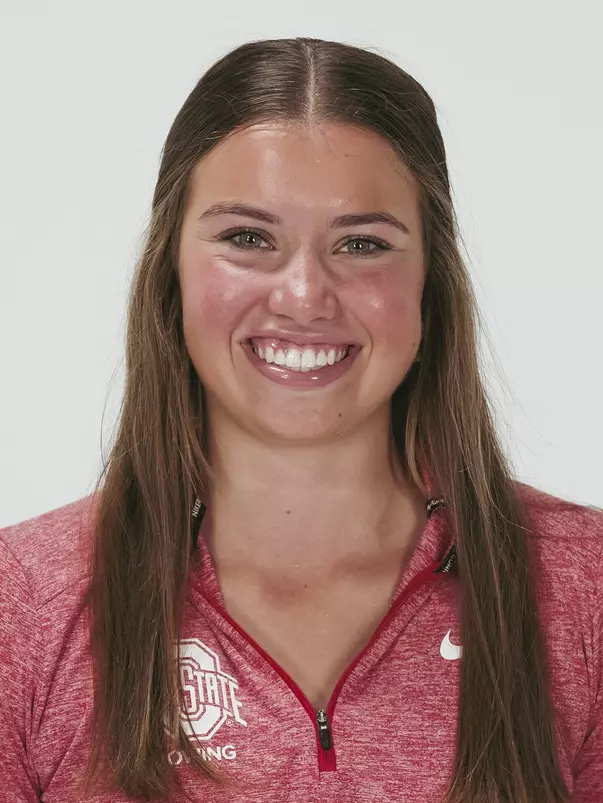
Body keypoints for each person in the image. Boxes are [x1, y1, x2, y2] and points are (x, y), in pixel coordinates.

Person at [0, 36, 601, 803]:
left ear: (429, 282)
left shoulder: (585, 586)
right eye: (247, 238)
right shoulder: (21, 603)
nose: (303, 294)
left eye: (361, 243)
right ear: (171, 271)